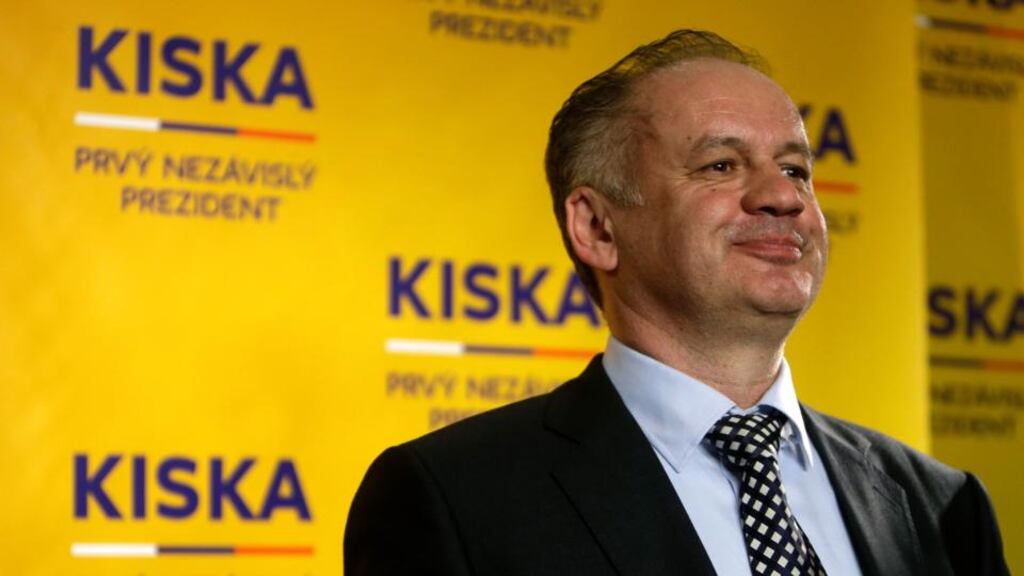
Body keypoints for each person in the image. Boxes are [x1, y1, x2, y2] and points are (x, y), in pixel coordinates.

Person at [345, 30, 1008, 575]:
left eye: (796, 168)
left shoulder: (941, 507)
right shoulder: (454, 499)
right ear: (598, 228)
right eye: (721, 165)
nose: (783, 197)